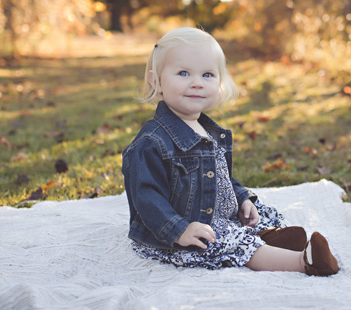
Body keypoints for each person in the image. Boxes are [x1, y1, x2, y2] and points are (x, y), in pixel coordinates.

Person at [121, 27, 339, 276]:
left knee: (262, 213)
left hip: (215, 214)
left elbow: (218, 177)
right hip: (176, 232)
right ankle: (305, 262)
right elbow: (146, 198)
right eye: (183, 73)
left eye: (207, 74)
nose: (197, 83)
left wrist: (242, 198)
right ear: (155, 81)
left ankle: (269, 238)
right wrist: (179, 230)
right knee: (230, 242)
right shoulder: (151, 142)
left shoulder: (207, 129)